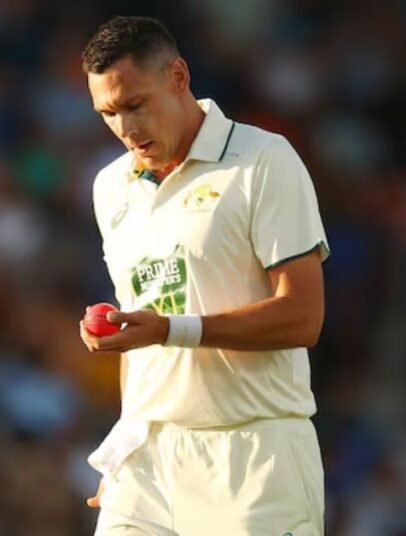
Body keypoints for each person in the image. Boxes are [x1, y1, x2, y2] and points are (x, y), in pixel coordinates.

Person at [79, 16, 330, 535]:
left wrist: (173, 330)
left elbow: (303, 317)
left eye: (135, 105)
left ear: (178, 76)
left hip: (255, 458)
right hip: (147, 461)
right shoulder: (110, 187)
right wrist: (127, 440)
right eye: (107, 113)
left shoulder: (263, 160)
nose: (125, 128)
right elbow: (141, 334)